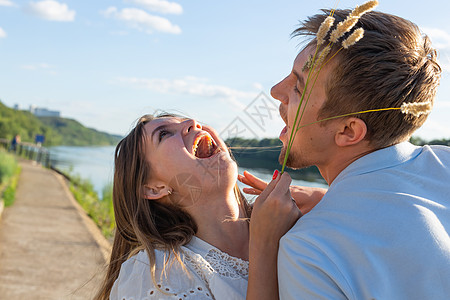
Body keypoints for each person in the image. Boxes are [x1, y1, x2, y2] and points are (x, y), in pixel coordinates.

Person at [245, 5, 450, 300]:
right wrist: (330, 199)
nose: (277, 91)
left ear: (348, 132)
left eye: (298, 88)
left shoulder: (311, 247)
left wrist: (264, 245)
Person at [94, 113, 325, 300]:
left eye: (186, 120)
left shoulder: (298, 224)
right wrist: (265, 245)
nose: (191, 122)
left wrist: (327, 200)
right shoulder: (154, 275)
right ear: (154, 188)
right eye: (163, 134)